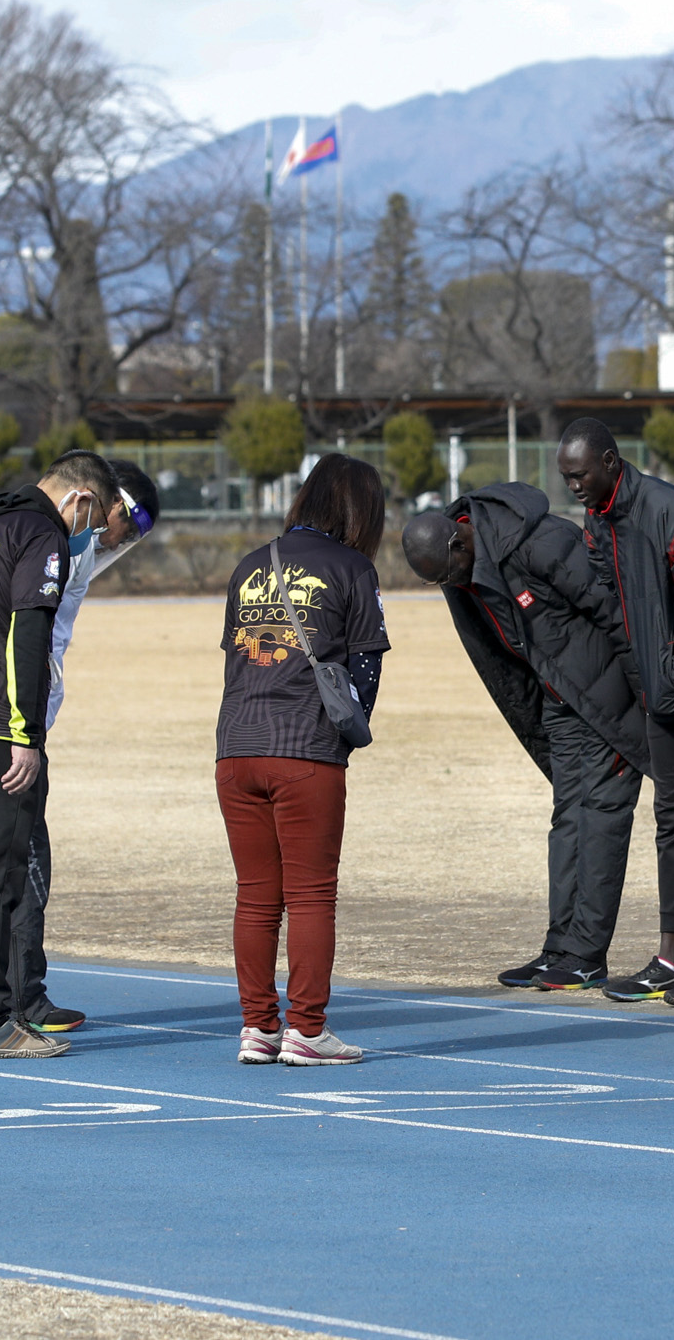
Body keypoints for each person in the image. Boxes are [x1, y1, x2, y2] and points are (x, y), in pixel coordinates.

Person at [0, 456, 160, 1034]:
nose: (117, 542)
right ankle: (1, 1012)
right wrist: (29, 734)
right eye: (126, 528)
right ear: (97, 502)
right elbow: (35, 635)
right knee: (3, 867)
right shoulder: (50, 535)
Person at [401, 482, 648, 994]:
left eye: (449, 573)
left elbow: (616, 611)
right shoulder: (461, 570)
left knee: (601, 819)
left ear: (459, 541)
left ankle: (586, 954)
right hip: (560, 701)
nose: (452, 584)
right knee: (568, 820)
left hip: (610, 700)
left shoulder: (541, 541)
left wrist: (644, 697)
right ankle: (560, 946)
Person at [556, 418, 674, 1008]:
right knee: (670, 815)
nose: (573, 488)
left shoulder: (667, 507)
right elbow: (615, 607)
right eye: (566, 478)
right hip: (663, 688)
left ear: (612, 463)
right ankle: (671, 955)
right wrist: (647, 680)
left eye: (581, 475)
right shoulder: (597, 520)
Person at [216, 454, 390, 1067]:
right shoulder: (354, 567)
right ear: (359, 510)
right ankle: (307, 1030)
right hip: (307, 748)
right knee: (313, 895)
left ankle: (257, 1028)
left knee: (256, 897)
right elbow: (366, 665)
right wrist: (348, 731)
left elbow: (237, 657)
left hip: (236, 747)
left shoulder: (249, 565)